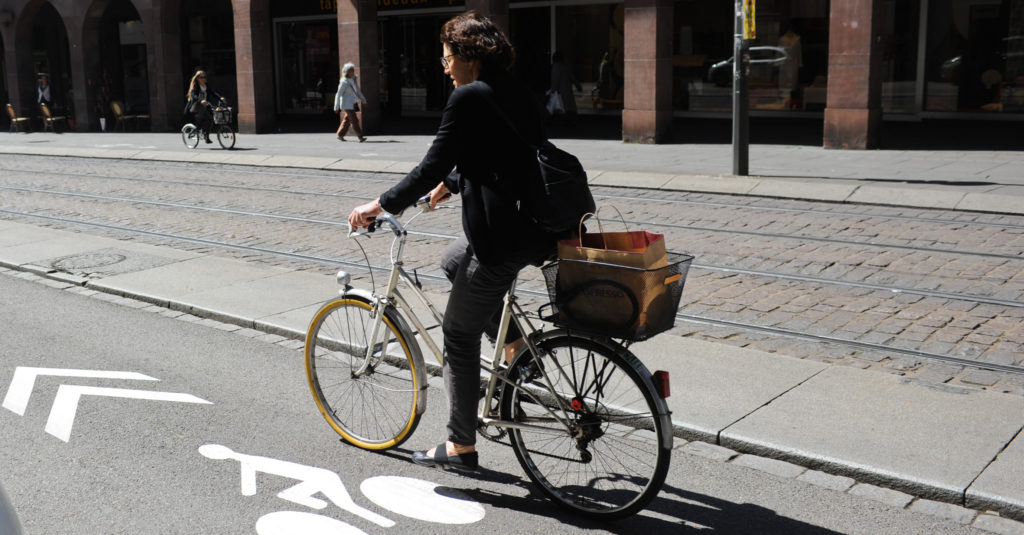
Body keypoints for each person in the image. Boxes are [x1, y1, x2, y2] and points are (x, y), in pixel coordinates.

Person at [347, 12, 557, 472]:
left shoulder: (467, 97)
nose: (444, 68)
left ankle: (460, 446)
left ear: (467, 56)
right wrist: (455, 183)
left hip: (500, 240)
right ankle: (517, 348)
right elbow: (503, 154)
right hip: (535, 228)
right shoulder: (518, 91)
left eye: (446, 58)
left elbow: (430, 164)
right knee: (449, 259)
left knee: (457, 335)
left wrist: (380, 204)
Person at [184, 70, 225, 144]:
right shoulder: (195, 85)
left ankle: (206, 137)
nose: (203, 78)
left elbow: (212, 93)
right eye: (201, 77)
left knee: (210, 119)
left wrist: (220, 98)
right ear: (197, 78)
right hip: (195, 106)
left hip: (204, 105)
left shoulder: (205, 84)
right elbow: (193, 95)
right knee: (202, 119)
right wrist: (201, 100)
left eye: (204, 77)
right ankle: (197, 128)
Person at [334, 63, 367, 142]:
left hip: (353, 103)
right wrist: (336, 106)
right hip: (347, 104)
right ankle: (360, 136)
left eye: (353, 70)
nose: (353, 71)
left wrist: (364, 100)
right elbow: (338, 94)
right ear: (347, 71)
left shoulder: (353, 80)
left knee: (347, 119)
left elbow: (358, 91)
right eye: (351, 70)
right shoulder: (343, 82)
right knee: (354, 120)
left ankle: (340, 134)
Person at [550, 51, 581, 118]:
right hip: (567, 92)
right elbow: (572, 77)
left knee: (563, 109)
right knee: (570, 109)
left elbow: (555, 80)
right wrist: (578, 86)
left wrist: (552, 90)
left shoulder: (556, 67)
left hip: (561, 94)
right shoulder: (565, 67)